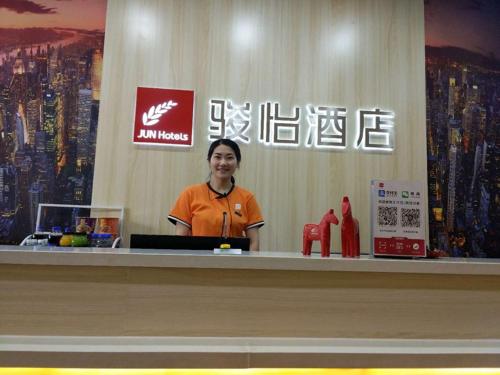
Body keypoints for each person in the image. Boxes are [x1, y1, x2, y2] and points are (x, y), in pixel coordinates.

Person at [168, 139, 264, 251]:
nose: (223, 163)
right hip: (197, 263)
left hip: (235, 264)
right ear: (209, 161)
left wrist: (246, 267)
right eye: (217, 157)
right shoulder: (190, 194)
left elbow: (254, 242)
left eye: (229, 157)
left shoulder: (247, 198)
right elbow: (180, 241)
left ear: (237, 163)